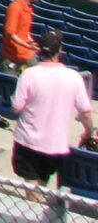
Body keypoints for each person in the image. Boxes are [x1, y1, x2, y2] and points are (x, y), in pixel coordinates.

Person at [11, 31, 94, 186]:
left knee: (31, 187)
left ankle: (34, 201)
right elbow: (86, 113)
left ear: (40, 49)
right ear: (60, 50)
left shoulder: (29, 75)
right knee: (41, 185)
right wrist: (88, 133)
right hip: (54, 145)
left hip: (27, 141)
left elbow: (16, 108)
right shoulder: (74, 77)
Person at [2, 0, 44, 72]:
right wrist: (27, 46)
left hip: (26, 54)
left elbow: (25, 31)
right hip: (13, 57)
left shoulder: (28, 8)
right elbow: (10, 33)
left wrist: (31, 42)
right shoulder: (15, 7)